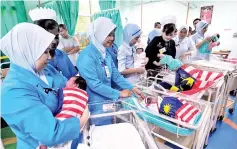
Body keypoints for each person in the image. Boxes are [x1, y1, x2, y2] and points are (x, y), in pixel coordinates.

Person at [1, 23, 89, 149]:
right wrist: (83, 117)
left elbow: (67, 87)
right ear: (28, 51)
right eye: (45, 51)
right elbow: (50, 134)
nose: (49, 57)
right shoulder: (13, 92)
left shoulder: (43, 70)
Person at [77, 17, 144, 118]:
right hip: (95, 102)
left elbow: (116, 76)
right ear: (100, 34)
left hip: (109, 98)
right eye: (108, 35)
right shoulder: (86, 56)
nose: (112, 38)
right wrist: (119, 93)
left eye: (113, 35)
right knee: (101, 128)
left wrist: (132, 88)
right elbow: (94, 84)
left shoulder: (105, 54)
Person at [39, 76, 89, 149]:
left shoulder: (64, 91)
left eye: (69, 80)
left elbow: (55, 97)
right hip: (75, 125)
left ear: (76, 85)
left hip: (61, 122)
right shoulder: (85, 95)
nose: (66, 81)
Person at [29, 8, 78, 79]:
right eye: (48, 36)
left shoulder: (62, 55)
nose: (54, 41)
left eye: (56, 35)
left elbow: (73, 79)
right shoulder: (31, 61)